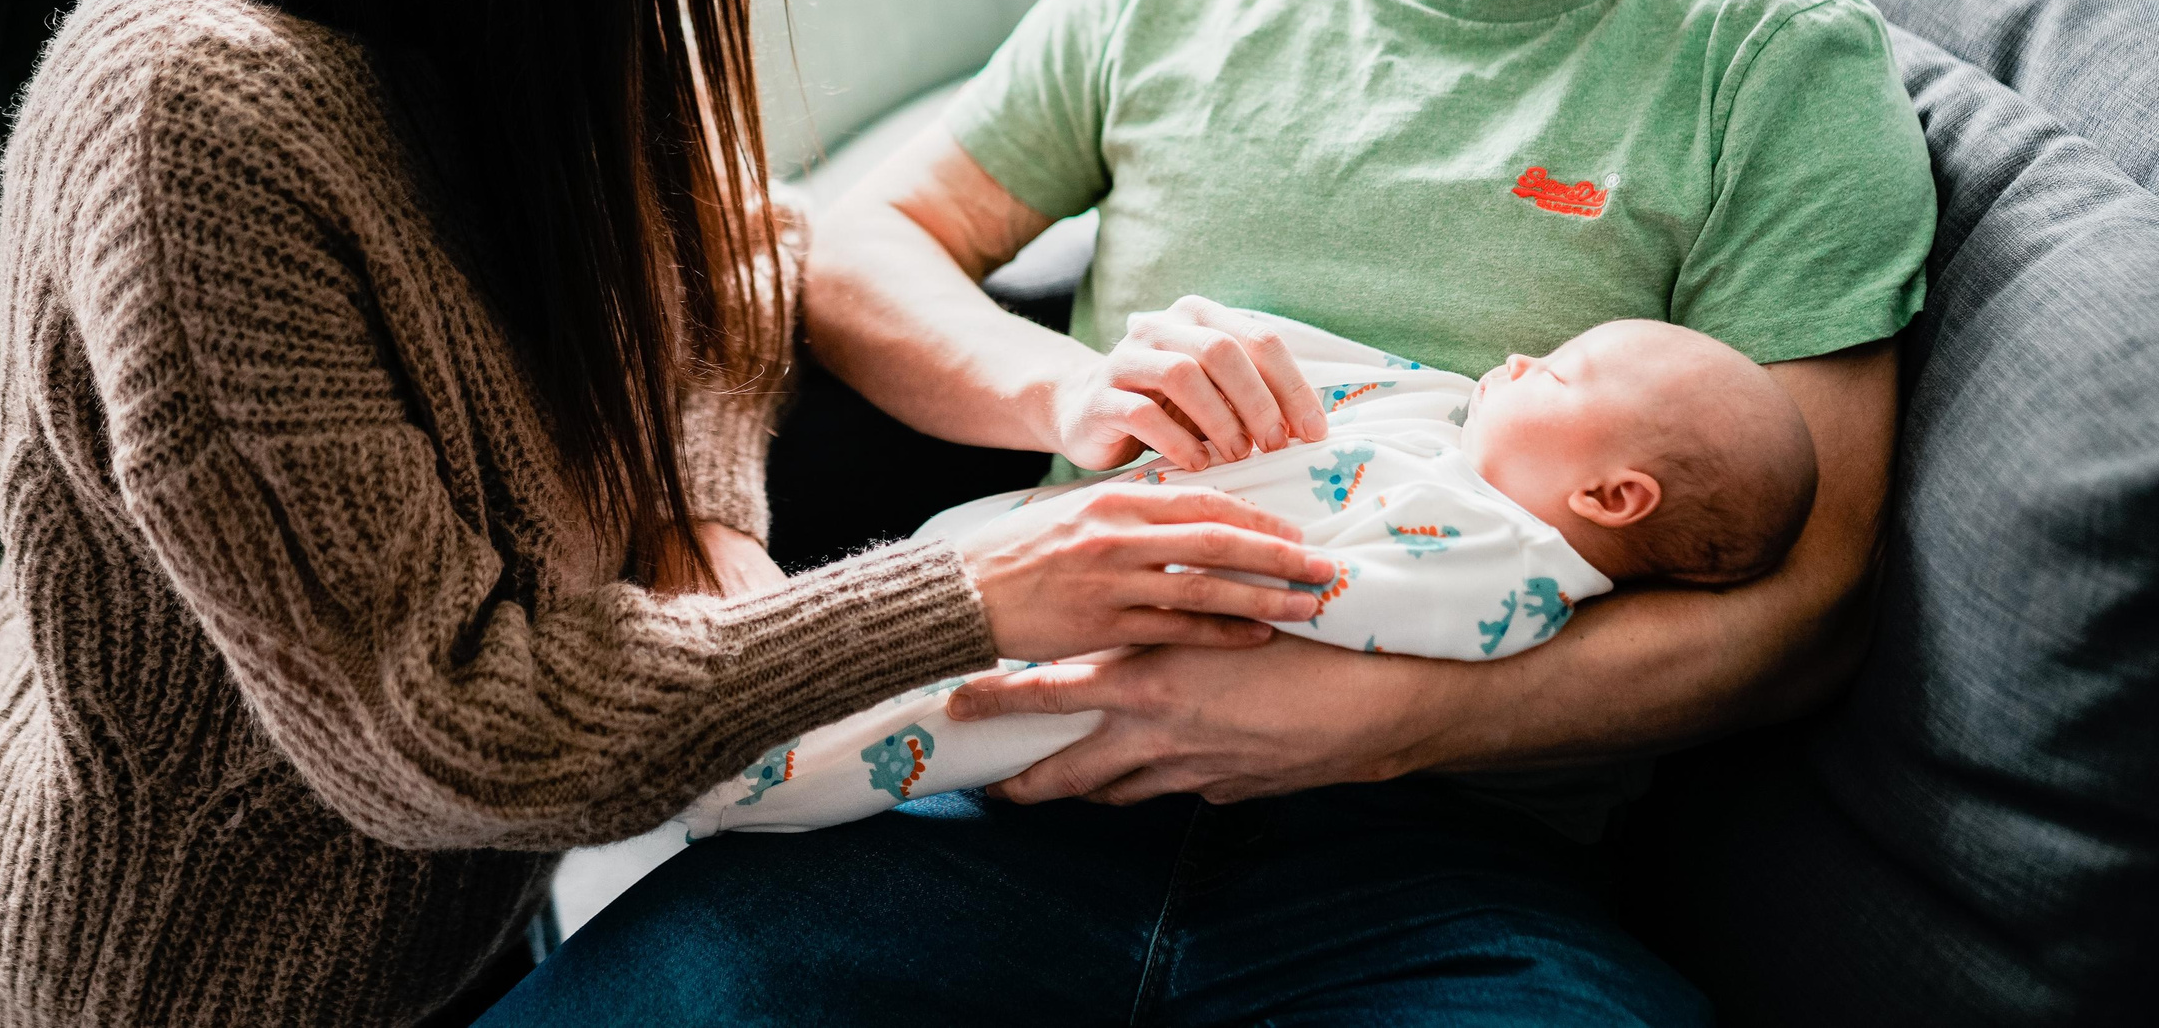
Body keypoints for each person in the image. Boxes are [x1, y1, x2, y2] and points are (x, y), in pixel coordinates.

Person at [499, 0, 1936, 1027]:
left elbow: (1805, 600)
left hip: (1433, 863)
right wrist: (1066, 389)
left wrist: (1364, 720)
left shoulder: (1774, 73)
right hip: (996, 788)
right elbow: (869, 243)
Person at [0, 0, 1334, 1028]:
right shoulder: (198, 134)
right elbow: (451, 729)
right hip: (195, 970)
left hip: (455, 912)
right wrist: (983, 592)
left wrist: (718, 513)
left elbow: (719, 272)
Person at [638, 309, 1817, 844]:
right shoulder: (1455, 426)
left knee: (907, 723)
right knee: (850, 622)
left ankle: (723, 771)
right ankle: (723, 646)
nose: (1517, 357)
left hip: (1111, 667)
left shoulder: (1512, 574)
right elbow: (1321, 376)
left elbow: (1330, 596)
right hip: (1022, 553)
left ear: (1612, 500)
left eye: (1556, 376)